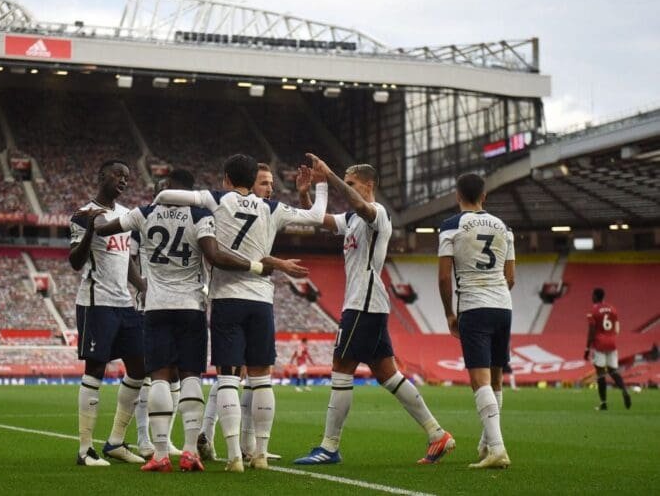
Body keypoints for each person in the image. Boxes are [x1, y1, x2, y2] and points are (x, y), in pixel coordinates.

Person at [90, 169, 307, 472]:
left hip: (155, 306)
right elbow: (214, 255)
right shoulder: (201, 215)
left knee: (160, 378)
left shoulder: (144, 212)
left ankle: (161, 453)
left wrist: (97, 217)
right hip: (192, 305)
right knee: (191, 377)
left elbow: (103, 229)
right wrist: (258, 265)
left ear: (167, 188)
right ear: (190, 191)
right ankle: (190, 451)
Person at [153, 153, 328, 472]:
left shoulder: (217, 199)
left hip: (227, 298)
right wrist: (322, 184)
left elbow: (166, 195)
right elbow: (317, 215)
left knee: (227, 378)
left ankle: (234, 456)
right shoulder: (272, 208)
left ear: (227, 179)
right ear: (252, 181)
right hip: (261, 299)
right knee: (262, 379)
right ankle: (260, 453)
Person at [294, 154, 454, 467]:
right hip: (367, 302)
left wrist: (330, 177)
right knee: (387, 374)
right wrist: (305, 194)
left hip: (363, 304)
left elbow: (361, 206)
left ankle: (329, 446)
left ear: (367, 186)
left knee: (341, 366)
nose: (348, 187)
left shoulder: (376, 213)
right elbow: (319, 220)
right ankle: (438, 434)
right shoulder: (352, 220)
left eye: (352, 183)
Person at [200, 161, 283, 463]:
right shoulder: (252, 208)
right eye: (263, 184)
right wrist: (274, 264)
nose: (269, 189)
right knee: (238, 374)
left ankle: (241, 445)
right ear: (251, 183)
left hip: (242, 296)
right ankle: (218, 436)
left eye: (272, 184)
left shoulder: (265, 212)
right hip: (246, 293)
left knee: (238, 374)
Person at [69, 160, 148, 467]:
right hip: (95, 302)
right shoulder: (82, 215)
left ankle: (114, 441)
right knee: (95, 370)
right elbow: (75, 262)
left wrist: (140, 283)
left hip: (124, 303)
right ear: (101, 176)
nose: (123, 181)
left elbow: (125, 256)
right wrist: (90, 230)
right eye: (118, 175)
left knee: (139, 368)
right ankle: (84, 449)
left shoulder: (127, 215)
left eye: (127, 177)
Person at [436, 173, 514, 469]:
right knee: (496, 378)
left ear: (458, 196)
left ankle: (497, 448)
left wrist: (448, 313)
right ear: (485, 197)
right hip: (503, 306)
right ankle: (486, 442)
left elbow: (444, 276)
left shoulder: (450, 227)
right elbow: (511, 277)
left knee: (479, 380)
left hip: (474, 305)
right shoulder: (505, 228)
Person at [584, 288, 631, 411]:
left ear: (594, 296)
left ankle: (603, 403)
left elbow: (591, 331)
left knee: (600, 374)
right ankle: (625, 390)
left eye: (592, 295)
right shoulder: (613, 309)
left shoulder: (592, 310)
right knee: (613, 371)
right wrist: (610, 337)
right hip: (612, 343)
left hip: (599, 344)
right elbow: (616, 328)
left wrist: (587, 348)